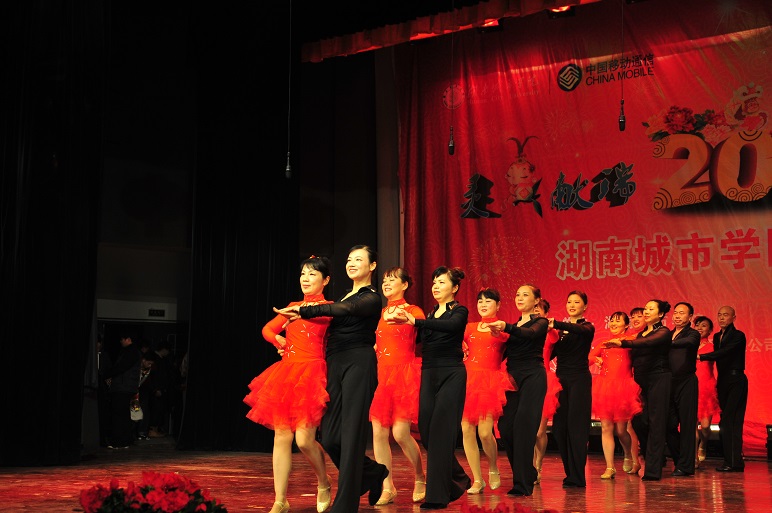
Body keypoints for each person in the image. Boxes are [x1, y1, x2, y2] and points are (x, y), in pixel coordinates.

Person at [275, 245, 388, 512]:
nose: (352, 263)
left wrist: (305, 311)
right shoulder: (345, 295)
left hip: (358, 362)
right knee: (330, 437)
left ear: (372, 266)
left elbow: (344, 310)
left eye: (358, 259)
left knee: (351, 435)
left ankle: (345, 504)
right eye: (349, 259)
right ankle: (372, 473)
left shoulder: (371, 297)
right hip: (334, 363)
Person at [245, 255, 335, 513]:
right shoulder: (292, 306)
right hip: (287, 373)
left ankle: (323, 482)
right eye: (303, 273)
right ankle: (280, 500)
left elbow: (329, 330)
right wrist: (280, 341)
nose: (305, 278)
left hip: (313, 372)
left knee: (304, 440)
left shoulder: (329, 308)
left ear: (326, 280)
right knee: (282, 436)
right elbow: (267, 329)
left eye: (312, 274)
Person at [389, 266, 471, 510]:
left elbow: (452, 327)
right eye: (434, 282)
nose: (436, 286)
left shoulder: (459, 311)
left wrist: (416, 321)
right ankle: (458, 478)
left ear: (454, 288)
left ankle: (437, 496)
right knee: (426, 432)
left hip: (452, 374)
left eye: (442, 282)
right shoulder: (432, 313)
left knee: (441, 433)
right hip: (429, 373)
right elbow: (413, 339)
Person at [369, 267, 426, 505]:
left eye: (392, 280)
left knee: (400, 433)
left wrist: (410, 321)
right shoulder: (381, 312)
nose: (387, 283)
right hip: (383, 376)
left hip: (404, 375)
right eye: (384, 280)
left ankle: (420, 477)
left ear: (404, 285)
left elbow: (424, 328)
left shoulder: (413, 310)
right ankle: (387, 486)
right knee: (378, 432)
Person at [489, 284, 548, 497]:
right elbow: (501, 353)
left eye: (525, 295)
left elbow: (529, 334)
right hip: (512, 378)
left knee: (524, 427)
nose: (520, 298)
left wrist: (506, 327)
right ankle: (527, 472)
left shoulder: (540, 322)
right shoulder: (513, 326)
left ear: (536, 300)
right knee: (506, 427)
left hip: (533, 376)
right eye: (517, 294)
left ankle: (522, 484)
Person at [606, 299, 672, 481]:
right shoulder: (641, 334)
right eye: (646, 309)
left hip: (659, 378)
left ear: (660, 314)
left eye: (651, 309)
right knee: (639, 421)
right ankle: (654, 458)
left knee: (656, 422)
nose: (647, 311)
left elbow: (648, 343)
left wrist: (623, 343)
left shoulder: (663, 332)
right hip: (640, 381)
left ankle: (653, 470)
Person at [460, 288, 514, 494]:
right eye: (480, 301)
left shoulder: (503, 329)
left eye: (488, 301)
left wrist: (499, 332)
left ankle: (493, 467)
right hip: (468, 380)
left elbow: (509, 343)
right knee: (466, 429)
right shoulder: (470, 327)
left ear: (498, 305)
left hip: (490, 382)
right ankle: (477, 479)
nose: (483, 304)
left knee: (484, 432)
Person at [548, 290, 595, 488]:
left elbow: (579, 330)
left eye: (577, 302)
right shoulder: (560, 333)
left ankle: (578, 476)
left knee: (577, 428)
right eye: (569, 302)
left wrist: (556, 324)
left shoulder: (587, 327)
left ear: (585, 306)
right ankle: (570, 473)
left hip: (579, 380)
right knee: (559, 429)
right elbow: (549, 354)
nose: (572, 305)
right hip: (561, 380)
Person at [588, 312, 642, 479]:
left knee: (621, 430)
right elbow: (590, 356)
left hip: (623, 388)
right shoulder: (605, 343)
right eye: (612, 320)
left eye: (618, 321)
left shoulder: (630, 341)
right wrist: (595, 359)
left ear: (626, 325)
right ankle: (610, 467)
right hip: (604, 388)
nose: (613, 323)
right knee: (606, 427)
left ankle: (628, 454)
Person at [697, 306, 748, 472]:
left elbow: (724, 352)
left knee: (731, 421)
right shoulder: (717, 336)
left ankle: (734, 462)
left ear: (734, 317)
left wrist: (701, 356)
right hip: (723, 380)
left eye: (726, 315)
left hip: (736, 379)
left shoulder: (738, 335)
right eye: (719, 315)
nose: (722, 318)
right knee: (725, 421)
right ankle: (731, 460)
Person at [665, 302, 700, 476]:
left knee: (687, 425)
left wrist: (666, 343)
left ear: (690, 317)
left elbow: (689, 343)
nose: (677, 316)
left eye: (682, 313)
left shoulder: (693, 334)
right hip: (668, 382)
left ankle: (686, 466)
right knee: (667, 424)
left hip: (686, 382)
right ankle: (681, 460)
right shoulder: (668, 333)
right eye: (676, 312)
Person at [532, 298, 561, 485]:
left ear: (546, 313)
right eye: (533, 308)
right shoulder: (523, 328)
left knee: (539, 431)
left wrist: (549, 326)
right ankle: (528, 466)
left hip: (545, 381)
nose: (535, 312)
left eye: (538, 309)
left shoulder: (549, 333)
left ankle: (537, 466)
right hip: (526, 380)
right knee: (527, 430)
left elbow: (555, 337)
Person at [103, 334, 142, 449]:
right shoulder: (134, 352)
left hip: (123, 387)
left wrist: (107, 374)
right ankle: (126, 440)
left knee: (119, 414)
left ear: (128, 339)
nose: (120, 341)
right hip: (126, 387)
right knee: (123, 414)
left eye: (122, 339)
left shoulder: (130, 352)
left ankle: (120, 441)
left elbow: (121, 367)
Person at [694, 315, 720, 467]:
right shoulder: (688, 345)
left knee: (705, 426)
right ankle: (693, 458)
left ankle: (703, 444)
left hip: (706, 388)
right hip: (691, 387)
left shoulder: (713, 347)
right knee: (691, 425)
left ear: (710, 330)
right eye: (697, 325)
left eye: (703, 325)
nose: (699, 328)